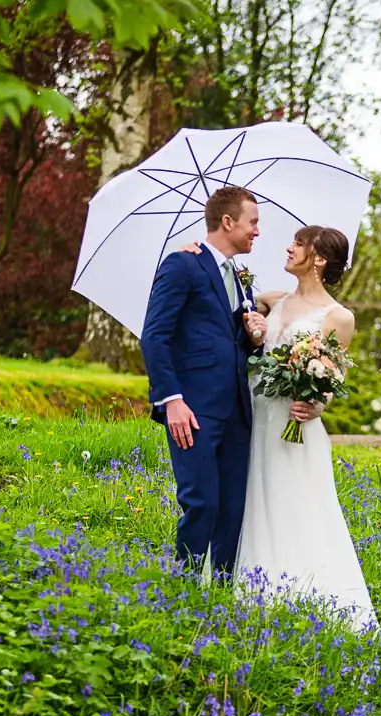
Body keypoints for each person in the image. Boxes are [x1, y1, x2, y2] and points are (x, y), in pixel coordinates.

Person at [184, 226, 378, 631]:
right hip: (253, 416)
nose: (289, 248)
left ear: (320, 259)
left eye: (299, 244)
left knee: (294, 505)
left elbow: (332, 380)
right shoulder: (271, 299)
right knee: (247, 497)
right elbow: (220, 299)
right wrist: (196, 252)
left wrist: (316, 404)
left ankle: (297, 593)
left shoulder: (339, 317)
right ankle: (239, 586)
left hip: (294, 427)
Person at [139, 186, 269, 577]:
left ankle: (224, 592)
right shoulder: (181, 265)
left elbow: (231, 345)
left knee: (232, 507)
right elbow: (155, 335)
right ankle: (185, 587)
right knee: (202, 502)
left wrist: (253, 337)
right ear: (227, 222)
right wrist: (171, 400)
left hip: (236, 409)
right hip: (192, 409)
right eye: (253, 223)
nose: (257, 232)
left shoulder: (240, 278)